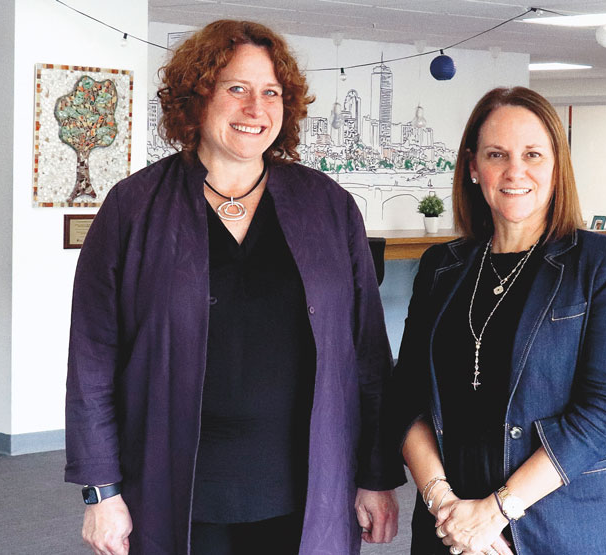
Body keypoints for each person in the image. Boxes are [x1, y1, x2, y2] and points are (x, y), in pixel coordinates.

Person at [65, 20, 403, 555]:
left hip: (310, 485)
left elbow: (366, 353)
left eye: (271, 92)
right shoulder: (134, 208)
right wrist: (101, 492)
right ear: (196, 99)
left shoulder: (327, 207)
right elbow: (92, 360)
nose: (256, 108)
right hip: (175, 485)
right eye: (236, 89)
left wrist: (377, 474)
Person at [389, 87, 606, 555]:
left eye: (533, 154)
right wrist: (445, 505)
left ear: (556, 165)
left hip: (563, 520)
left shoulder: (604, 263)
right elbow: (407, 396)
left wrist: (494, 513)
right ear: (472, 166)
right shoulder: (440, 267)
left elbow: (603, 413)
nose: (515, 171)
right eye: (496, 154)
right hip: (451, 523)